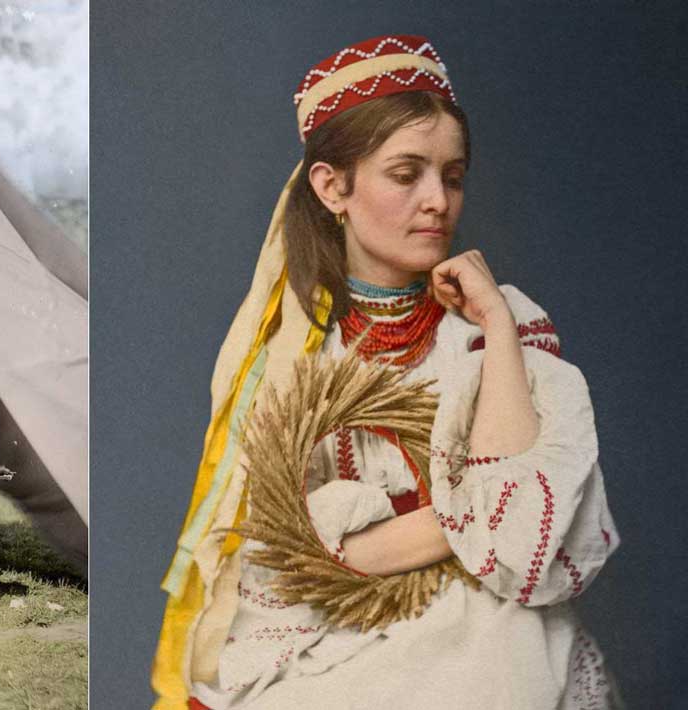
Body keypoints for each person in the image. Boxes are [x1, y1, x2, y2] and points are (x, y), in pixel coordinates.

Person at [152, 36, 619, 709]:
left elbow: (519, 541)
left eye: (452, 177)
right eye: (406, 175)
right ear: (332, 186)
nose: (437, 201)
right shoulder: (295, 358)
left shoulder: (498, 331)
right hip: (326, 642)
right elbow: (288, 558)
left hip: (491, 637)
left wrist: (493, 321)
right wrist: (453, 528)